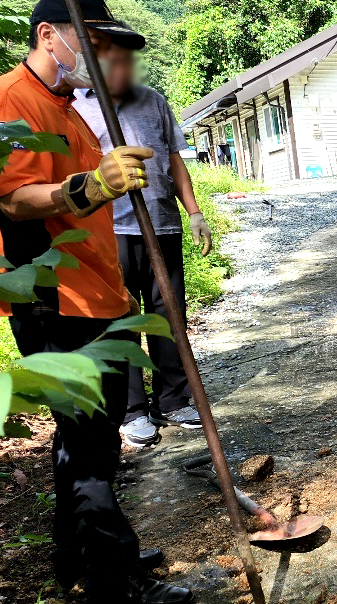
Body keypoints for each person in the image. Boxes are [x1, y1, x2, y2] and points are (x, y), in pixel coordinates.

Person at [0, 0, 194, 604]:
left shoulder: (68, 108)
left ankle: (78, 554)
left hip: (94, 294)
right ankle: (113, 579)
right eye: (92, 38)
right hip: (53, 300)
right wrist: (89, 185)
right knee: (89, 443)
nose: (103, 52)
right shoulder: (12, 100)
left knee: (91, 437)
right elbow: (12, 199)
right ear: (48, 35)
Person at [74, 31, 211, 448]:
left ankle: (173, 399)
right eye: (113, 60)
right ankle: (132, 410)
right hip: (110, 230)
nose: (124, 68)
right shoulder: (77, 107)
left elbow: (173, 160)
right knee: (122, 318)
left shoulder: (153, 101)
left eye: (128, 61)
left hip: (162, 224)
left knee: (169, 316)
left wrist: (195, 212)